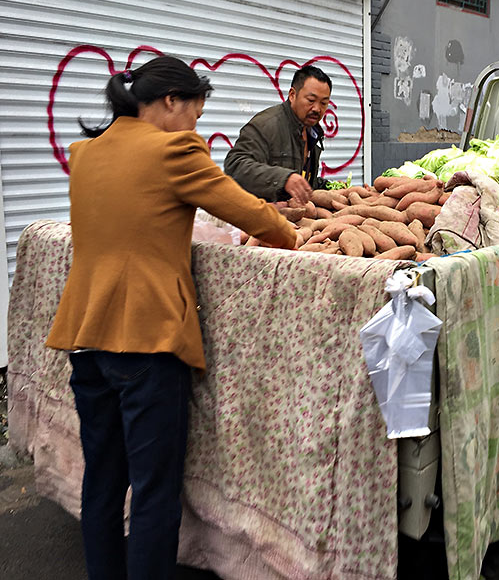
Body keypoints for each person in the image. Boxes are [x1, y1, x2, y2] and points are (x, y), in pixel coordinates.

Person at [45, 55, 296, 580]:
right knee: (155, 492)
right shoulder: (175, 151)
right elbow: (252, 215)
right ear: (170, 102)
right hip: (146, 342)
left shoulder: (86, 154)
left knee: (104, 483)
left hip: (86, 341)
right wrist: (288, 234)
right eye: (196, 115)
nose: (196, 128)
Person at [224, 65, 333, 204]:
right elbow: (235, 165)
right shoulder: (266, 125)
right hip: (261, 217)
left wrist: (329, 187)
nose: (317, 109)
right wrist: (284, 179)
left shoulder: (313, 133)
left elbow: (302, 179)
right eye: (311, 100)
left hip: (295, 220)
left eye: (324, 103)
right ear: (292, 95)